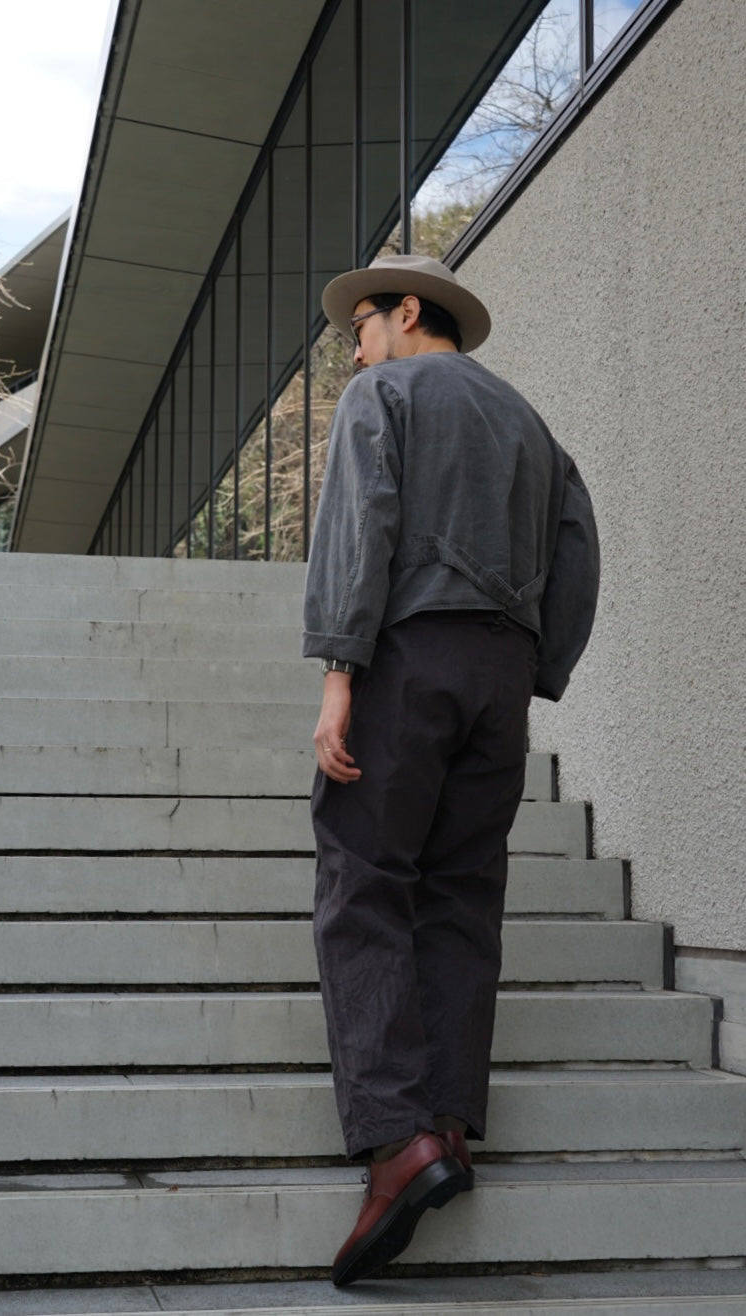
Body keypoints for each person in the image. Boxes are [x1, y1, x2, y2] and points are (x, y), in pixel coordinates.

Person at [302, 253, 599, 1287]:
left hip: (409, 656)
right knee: (464, 892)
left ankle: (396, 1140)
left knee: (362, 875)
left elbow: (360, 526)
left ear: (408, 312)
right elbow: (577, 545)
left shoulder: (384, 392)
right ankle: (452, 1126)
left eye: (363, 323)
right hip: (500, 675)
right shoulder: (528, 422)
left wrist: (341, 671)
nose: (355, 343)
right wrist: (537, 666)